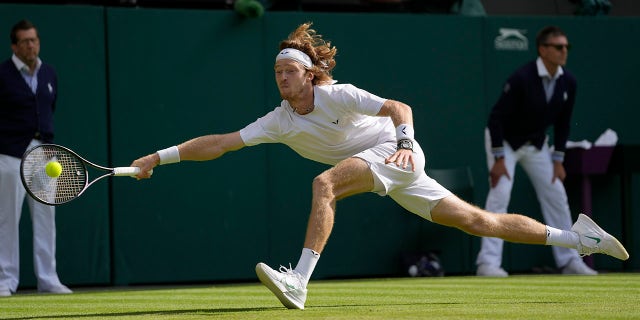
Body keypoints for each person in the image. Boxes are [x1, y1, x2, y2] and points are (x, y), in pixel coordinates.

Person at [130, 22, 628, 309]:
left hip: (393, 152)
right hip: (388, 168)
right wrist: (157, 157)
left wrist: (407, 144)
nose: (281, 77)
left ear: (310, 74)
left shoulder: (338, 95)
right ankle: (579, 237)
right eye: (277, 71)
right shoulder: (279, 120)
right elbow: (220, 143)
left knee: (323, 183)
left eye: (290, 70)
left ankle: (298, 281)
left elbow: (398, 107)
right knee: (480, 221)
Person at [475, 26, 597, 277]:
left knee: (556, 196)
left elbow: (563, 123)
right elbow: (495, 119)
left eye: (567, 47)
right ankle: (487, 263)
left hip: (537, 145)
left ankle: (570, 260)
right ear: (543, 50)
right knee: (500, 195)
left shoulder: (568, 82)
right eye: (558, 47)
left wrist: (558, 160)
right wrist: (498, 158)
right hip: (505, 143)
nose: (564, 51)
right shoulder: (521, 78)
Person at [0, 19, 72, 297]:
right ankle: (6, 280)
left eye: (34, 40)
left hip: (44, 155)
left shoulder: (49, 73)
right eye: (25, 41)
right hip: (9, 154)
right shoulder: (3, 74)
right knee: (7, 218)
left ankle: (48, 278)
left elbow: (49, 109)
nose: (31, 45)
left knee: (45, 216)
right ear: (14, 46)